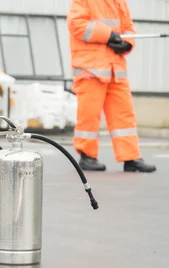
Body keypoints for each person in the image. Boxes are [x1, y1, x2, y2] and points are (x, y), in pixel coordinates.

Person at [67, 0, 157, 173]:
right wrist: (108, 35)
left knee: (124, 116)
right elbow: (77, 25)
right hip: (90, 68)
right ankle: (87, 156)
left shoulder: (119, 2)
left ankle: (131, 157)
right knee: (89, 115)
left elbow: (129, 28)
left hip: (115, 68)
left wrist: (128, 43)